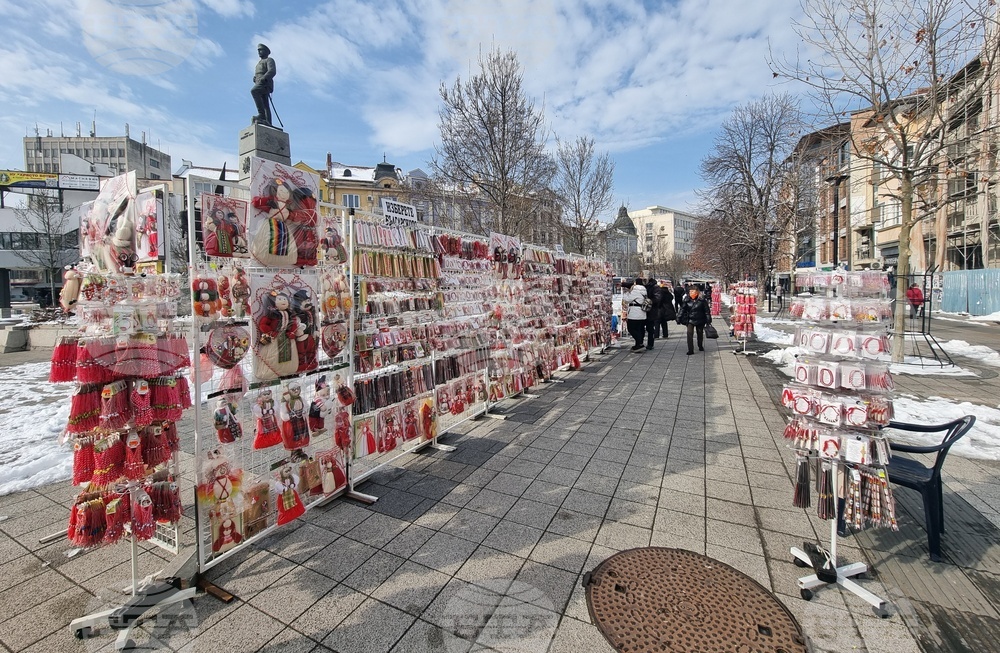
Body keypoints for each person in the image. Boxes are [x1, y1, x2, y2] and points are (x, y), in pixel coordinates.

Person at [677, 286, 712, 355]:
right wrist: (679, 317)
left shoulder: (702, 300)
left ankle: (700, 345)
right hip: (690, 320)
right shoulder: (686, 300)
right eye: (690, 292)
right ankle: (690, 349)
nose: (691, 293)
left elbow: (706, 311)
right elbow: (682, 309)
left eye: (693, 291)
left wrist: (708, 319)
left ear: (697, 292)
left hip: (700, 319)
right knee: (689, 334)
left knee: (700, 333)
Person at [251, 44, 276, 126]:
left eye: (261, 50)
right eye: (258, 50)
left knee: (254, 91)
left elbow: (272, 71)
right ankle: (268, 121)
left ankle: (261, 115)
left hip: (265, 83)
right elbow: (258, 72)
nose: (259, 52)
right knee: (265, 103)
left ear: (266, 51)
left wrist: (264, 77)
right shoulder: (258, 63)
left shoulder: (269, 60)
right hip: (259, 82)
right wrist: (255, 78)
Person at [621, 279, 648, 352]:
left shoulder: (636, 291)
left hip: (635, 313)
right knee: (639, 329)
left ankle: (639, 343)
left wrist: (626, 293)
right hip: (642, 313)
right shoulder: (644, 290)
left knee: (631, 328)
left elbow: (627, 299)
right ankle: (639, 344)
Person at [641, 276, 663, 350]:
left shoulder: (654, 287)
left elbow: (658, 298)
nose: (643, 280)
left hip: (651, 310)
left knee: (650, 328)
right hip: (642, 310)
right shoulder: (641, 286)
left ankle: (650, 344)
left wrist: (649, 301)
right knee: (641, 328)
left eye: (644, 279)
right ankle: (640, 343)